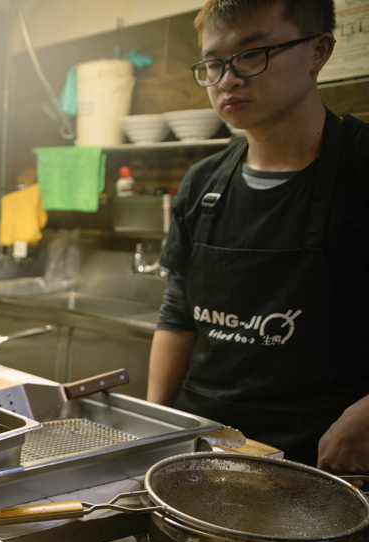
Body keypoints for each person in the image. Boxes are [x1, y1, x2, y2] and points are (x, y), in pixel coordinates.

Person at [148, 0, 369, 472]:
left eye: (251, 55)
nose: (227, 79)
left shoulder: (361, 168)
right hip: (202, 449)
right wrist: (158, 425)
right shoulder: (202, 182)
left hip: (324, 460)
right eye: (212, 63)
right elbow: (178, 312)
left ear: (317, 51)